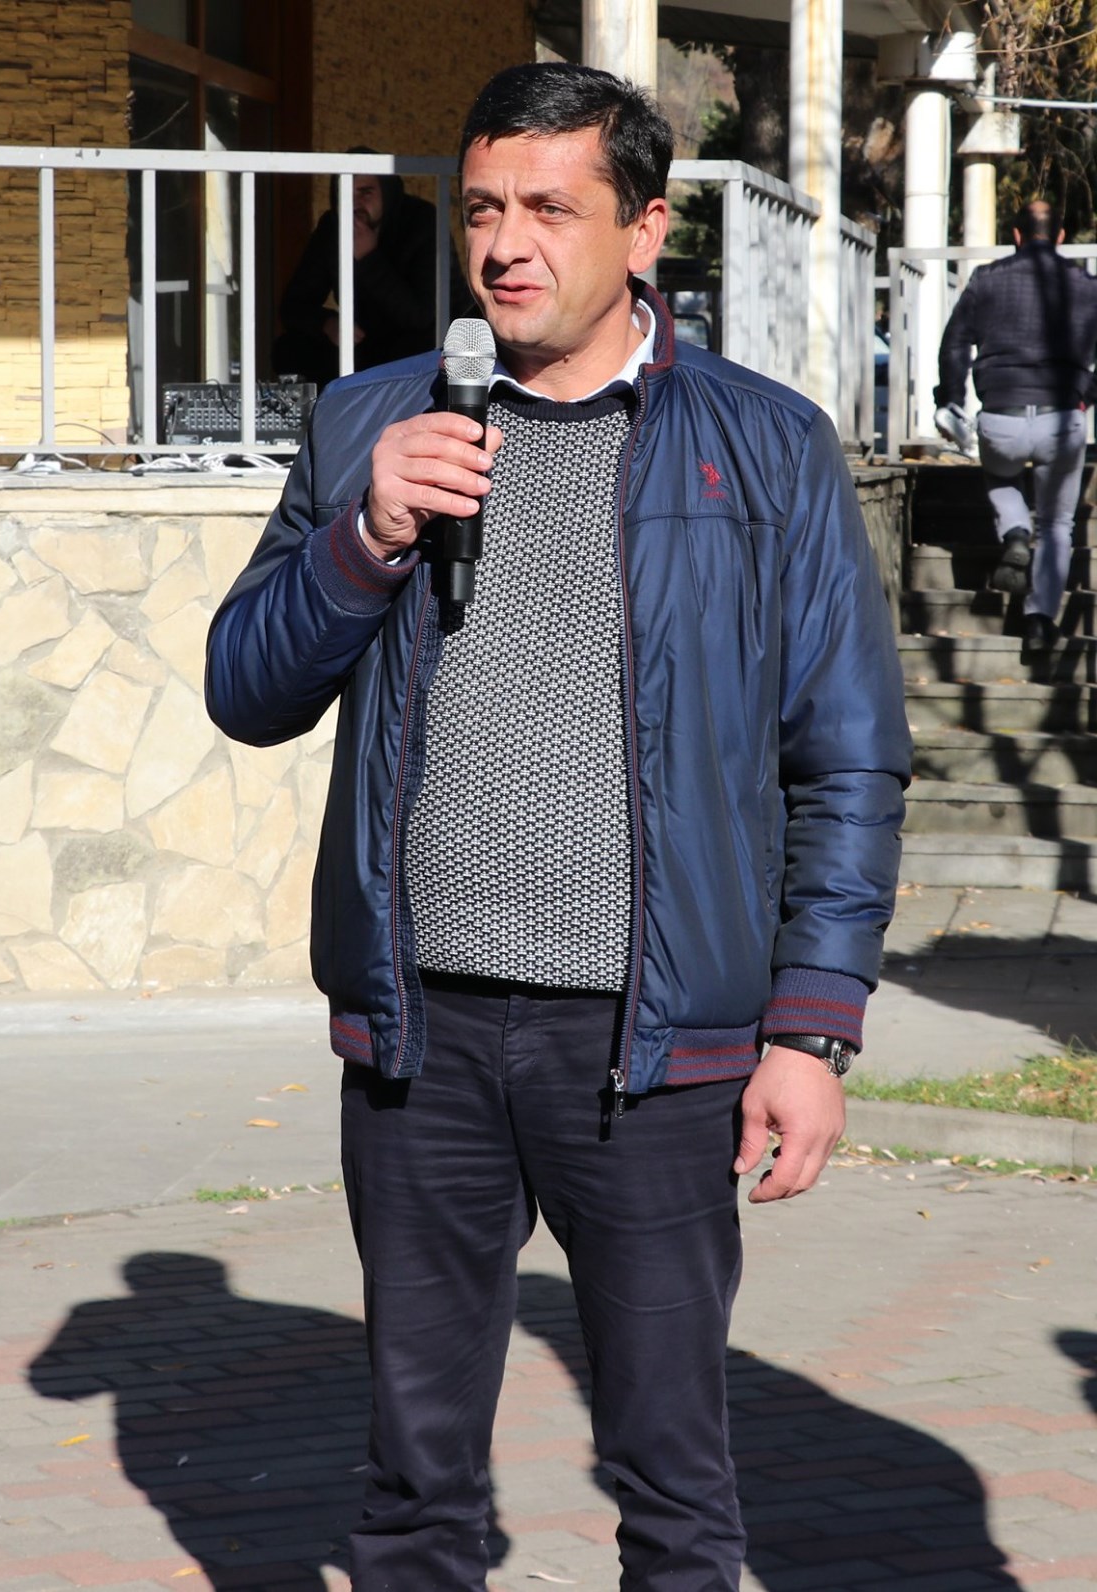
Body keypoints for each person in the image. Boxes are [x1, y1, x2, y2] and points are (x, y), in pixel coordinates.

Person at [206, 64, 908, 1590]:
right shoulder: (373, 422)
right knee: (415, 1487)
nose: (505, 244)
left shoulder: (767, 446)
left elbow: (848, 760)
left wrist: (812, 1027)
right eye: (482, 210)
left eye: (549, 208)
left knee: (673, 1481)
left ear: (646, 230)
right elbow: (246, 688)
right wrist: (366, 534)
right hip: (424, 1043)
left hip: (650, 1054)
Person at [935, 199, 1097, 665]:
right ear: (1061, 236)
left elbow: (954, 343)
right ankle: (1040, 620)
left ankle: (1014, 532)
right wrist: (1085, 394)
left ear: (1017, 235)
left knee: (1000, 477)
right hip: (1062, 418)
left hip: (1000, 416)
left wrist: (951, 398)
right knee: (1059, 525)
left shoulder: (986, 280)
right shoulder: (1087, 286)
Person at [274, 151, 470, 387]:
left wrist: (368, 257)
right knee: (290, 347)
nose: (355, 203)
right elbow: (293, 305)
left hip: (426, 342)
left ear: (386, 193)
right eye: (345, 193)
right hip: (366, 341)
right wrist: (327, 323)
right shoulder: (333, 227)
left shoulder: (422, 221)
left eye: (365, 192)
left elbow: (421, 316)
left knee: (417, 346)